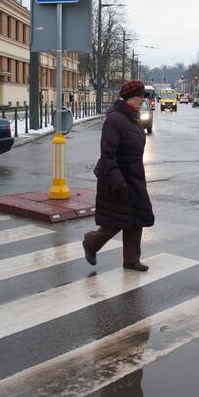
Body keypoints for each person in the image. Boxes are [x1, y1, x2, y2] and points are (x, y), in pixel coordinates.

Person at [83, 80, 154, 271]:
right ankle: (91, 242)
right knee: (117, 220)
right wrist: (118, 183)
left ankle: (131, 260)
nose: (143, 100)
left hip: (134, 177)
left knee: (136, 218)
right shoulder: (115, 120)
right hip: (118, 180)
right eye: (140, 96)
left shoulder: (133, 118)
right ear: (130, 97)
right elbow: (108, 155)